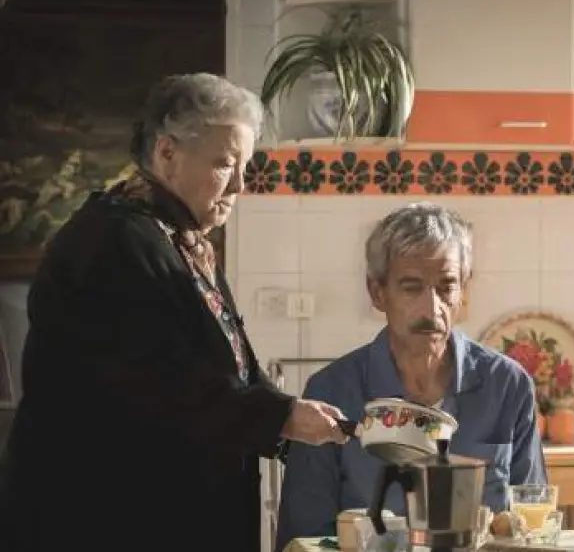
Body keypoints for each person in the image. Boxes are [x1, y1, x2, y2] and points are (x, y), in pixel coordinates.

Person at [0, 73, 349, 552]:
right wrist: (283, 417)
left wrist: (290, 416)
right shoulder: (113, 242)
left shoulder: (176, 236)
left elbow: (229, 367)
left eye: (245, 166)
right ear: (167, 152)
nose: (241, 184)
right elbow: (166, 385)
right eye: (225, 164)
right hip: (106, 520)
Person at [276, 202, 547, 551]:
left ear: (463, 290)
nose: (432, 309)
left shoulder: (508, 385)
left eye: (446, 287)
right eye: (411, 287)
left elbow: (532, 528)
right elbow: (302, 538)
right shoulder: (331, 391)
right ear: (378, 293)